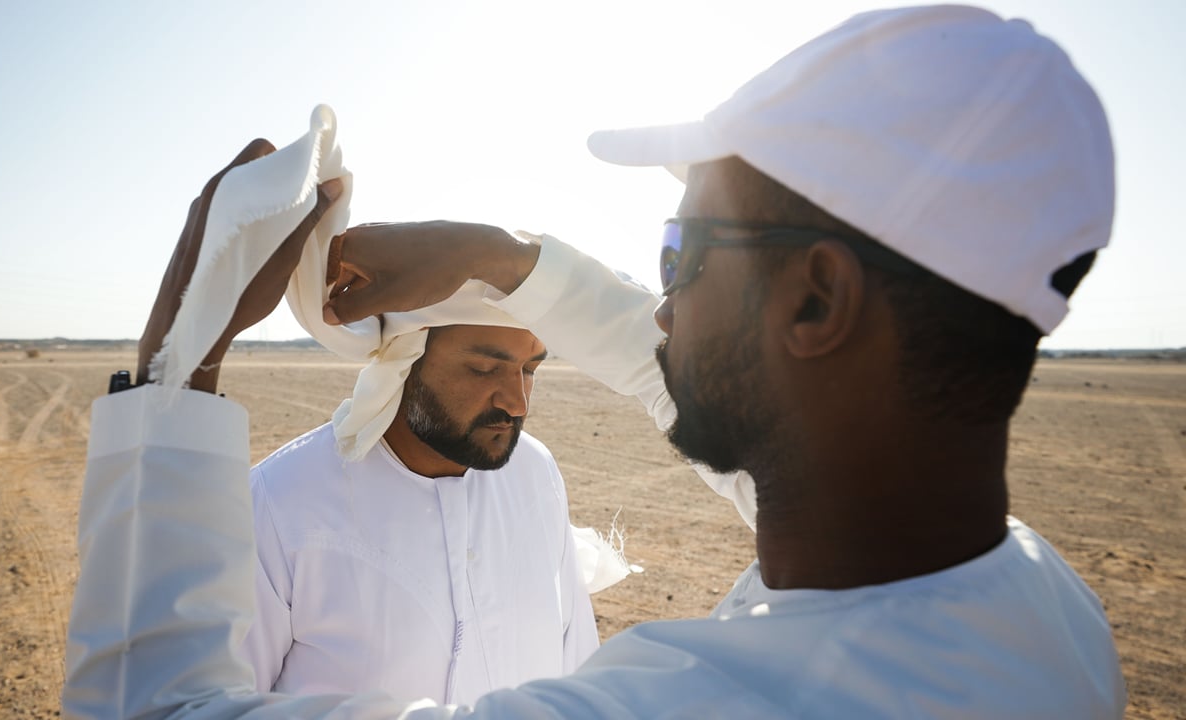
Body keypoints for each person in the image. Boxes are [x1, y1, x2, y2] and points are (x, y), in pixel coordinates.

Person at [64, 5, 1126, 718]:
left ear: (814, 299)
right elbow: (678, 371)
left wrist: (178, 368)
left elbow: (158, 705)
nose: (661, 306)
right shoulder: (1038, 609)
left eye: (682, 255)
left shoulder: (704, 702)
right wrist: (507, 261)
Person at [239, 317, 601, 703]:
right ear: (405, 355)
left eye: (529, 370)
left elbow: (578, 671)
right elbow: (221, 703)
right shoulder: (280, 499)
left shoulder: (535, 472)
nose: (517, 403)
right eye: (484, 369)